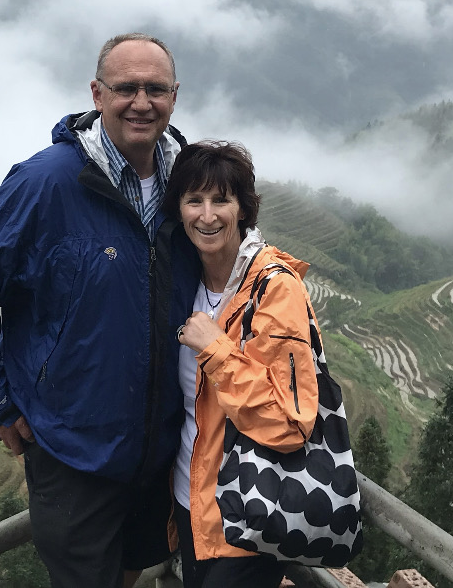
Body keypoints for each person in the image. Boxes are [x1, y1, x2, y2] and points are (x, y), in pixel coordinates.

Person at [0, 33, 200, 588]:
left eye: (155, 89)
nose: (141, 102)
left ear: (175, 97)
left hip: (163, 444)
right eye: (126, 88)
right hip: (73, 449)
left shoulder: (189, 185)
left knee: (135, 565)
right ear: (97, 94)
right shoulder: (44, 183)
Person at [166, 141, 322, 588]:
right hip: (189, 499)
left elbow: (288, 424)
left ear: (243, 209)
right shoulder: (182, 281)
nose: (207, 215)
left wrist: (215, 351)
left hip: (250, 510)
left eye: (221, 200)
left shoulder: (274, 289)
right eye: (194, 200)